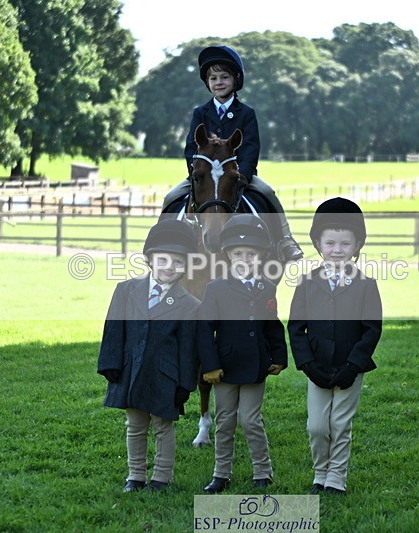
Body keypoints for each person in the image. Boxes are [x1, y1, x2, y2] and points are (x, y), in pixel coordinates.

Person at [163, 45, 303, 263]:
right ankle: (160, 241)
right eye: (214, 78)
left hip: (236, 174)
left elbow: (250, 147)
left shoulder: (246, 113)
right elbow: (192, 147)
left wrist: (243, 175)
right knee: (170, 196)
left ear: (235, 80)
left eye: (224, 77)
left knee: (268, 192)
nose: (218, 82)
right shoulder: (200, 113)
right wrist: (197, 174)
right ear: (208, 83)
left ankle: (285, 240)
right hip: (205, 176)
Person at [287, 197, 382, 495]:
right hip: (317, 366)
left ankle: (336, 478)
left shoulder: (366, 285)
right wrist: (307, 365)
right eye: (330, 243)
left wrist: (353, 365)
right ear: (318, 244)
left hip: (349, 367)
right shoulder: (307, 282)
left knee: (340, 423)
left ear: (357, 246)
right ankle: (320, 473)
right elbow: (295, 327)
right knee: (317, 426)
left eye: (345, 244)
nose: (337, 250)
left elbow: (372, 329)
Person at [97, 218, 200, 493]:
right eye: (163, 260)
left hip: (166, 375)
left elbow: (189, 349)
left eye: (178, 262)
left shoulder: (190, 305)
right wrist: (110, 363)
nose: (170, 267)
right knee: (135, 424)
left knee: (163, 427)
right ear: (150, 260)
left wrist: (185, 384)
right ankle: (135, 476)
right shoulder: (126, 290)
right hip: (131, 370)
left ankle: (161, 478)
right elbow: (113, 329)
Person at [196, 214, 288, 493]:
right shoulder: (215, 288)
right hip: (224, 368)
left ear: (260, 256)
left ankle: (263, 470)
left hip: (256, 367)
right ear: (228, 255)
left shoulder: (267, 287)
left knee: (250, 420)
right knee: (225, 422)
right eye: (238, 254)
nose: (245, 259)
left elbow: (272, 326)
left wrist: (279, 357)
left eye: (251, 254)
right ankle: (221, 474)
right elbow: (204, 330)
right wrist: (209, 366)